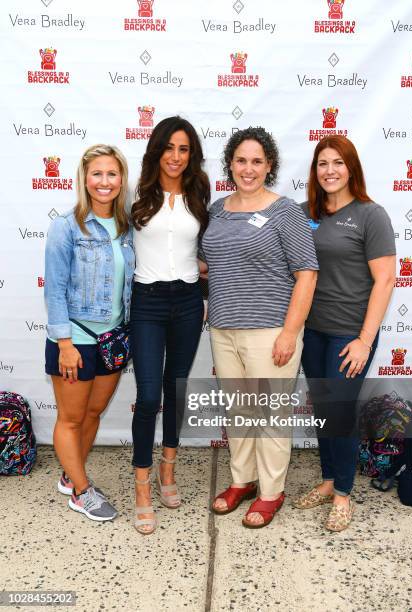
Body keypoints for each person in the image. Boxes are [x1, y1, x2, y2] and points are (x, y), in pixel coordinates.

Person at [203, 127, 318, 528]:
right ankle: (242, 481)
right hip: (223, 329)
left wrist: (290, 332)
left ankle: (271, 491)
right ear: (229, 164)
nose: (248, 169)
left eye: (256, 161)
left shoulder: (285, 212)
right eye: (240, 160)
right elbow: (208, 264)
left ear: (269, 166)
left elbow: (306, 274)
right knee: (239, 412)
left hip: (270, 331)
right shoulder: (217, 210)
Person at [293, 135, 396, 531]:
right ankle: (328, 479)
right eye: (322, 163)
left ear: (351, 168)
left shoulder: (371, 215)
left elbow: (384, 281)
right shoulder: (304, 212)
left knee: (339, 413)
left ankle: (343, 495)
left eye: (338, 162)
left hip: (350, 335)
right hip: (312, 332)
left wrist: (364, 340)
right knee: (323, 413)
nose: (330, 170)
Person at [44, 144, 135, 521]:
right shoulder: (66, 226)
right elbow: (54, 288)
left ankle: (71, 471)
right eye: (96, 173)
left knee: (94, 410)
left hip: (112, 336)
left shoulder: (128, 225)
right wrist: (64, 343)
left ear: (121, 179)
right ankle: (81, 492)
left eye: (112, 174)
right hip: (75, 338)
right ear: (84, 179)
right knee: (71, 417)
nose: (104, 181)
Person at [130, 116, 210, 535]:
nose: (176, 157)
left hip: (187, 300)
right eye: (169, 147)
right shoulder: (136, 192)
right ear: (156, 149)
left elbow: (205, 250)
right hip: (147, 302)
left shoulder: (200, 191)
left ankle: (168, 469)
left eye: (184, 149)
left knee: (176, 388)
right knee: (147, 396)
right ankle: (142, 487)